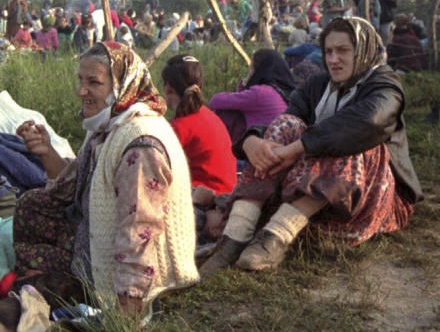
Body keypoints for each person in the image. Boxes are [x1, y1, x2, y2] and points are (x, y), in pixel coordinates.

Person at [200, 17, 422, 276]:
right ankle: (234, 238)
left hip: (368, 202)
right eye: (328, 51)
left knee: (355, 140)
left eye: (343, 50)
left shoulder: (385, 84)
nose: (333, 59)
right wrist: (251, 141)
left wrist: (299, 148)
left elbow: (369, 121)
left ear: (363, 50)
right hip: (317, 201)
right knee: (287, 124)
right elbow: (286, 118)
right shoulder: (318, 85)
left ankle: (275, 238)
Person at [11, 42, 198, 318]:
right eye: (80, 80)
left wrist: (125, 313)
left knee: (23, 289)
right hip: (97, 239)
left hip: (137, 272)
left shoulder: (141, 145)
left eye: (93, 83)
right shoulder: (108, 125)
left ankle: (78, 284)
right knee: (31, 207)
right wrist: (45, 151)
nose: (80, 91)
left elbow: (140, 231)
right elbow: (73, 189)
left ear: (121, 86)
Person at [162, 55, 237, 196]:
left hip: (208, 195)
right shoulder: (208, 114)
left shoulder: (180, 127)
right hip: (227, 190)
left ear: (168, 88)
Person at [207, 49, 295, 144]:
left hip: (261, 150)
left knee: (228, 114)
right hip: (281, 148)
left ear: (258, 70)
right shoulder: (280, 91)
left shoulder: (260, 93)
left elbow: (215, 101)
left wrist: (246, 81)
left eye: (251, 68)